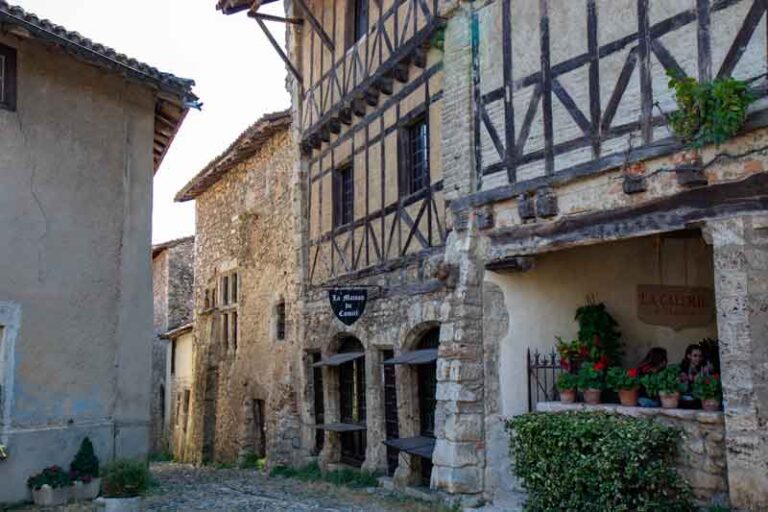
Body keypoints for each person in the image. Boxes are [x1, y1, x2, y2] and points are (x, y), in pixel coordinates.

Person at [679, 344, 713, 408]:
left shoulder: (702, 366)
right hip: (686, 402)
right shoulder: (683, 368)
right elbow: (690, 379)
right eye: (695, 356)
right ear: (689, 356)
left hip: (700, 401)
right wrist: (703, 372)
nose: (698, 358)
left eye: (700, 356)